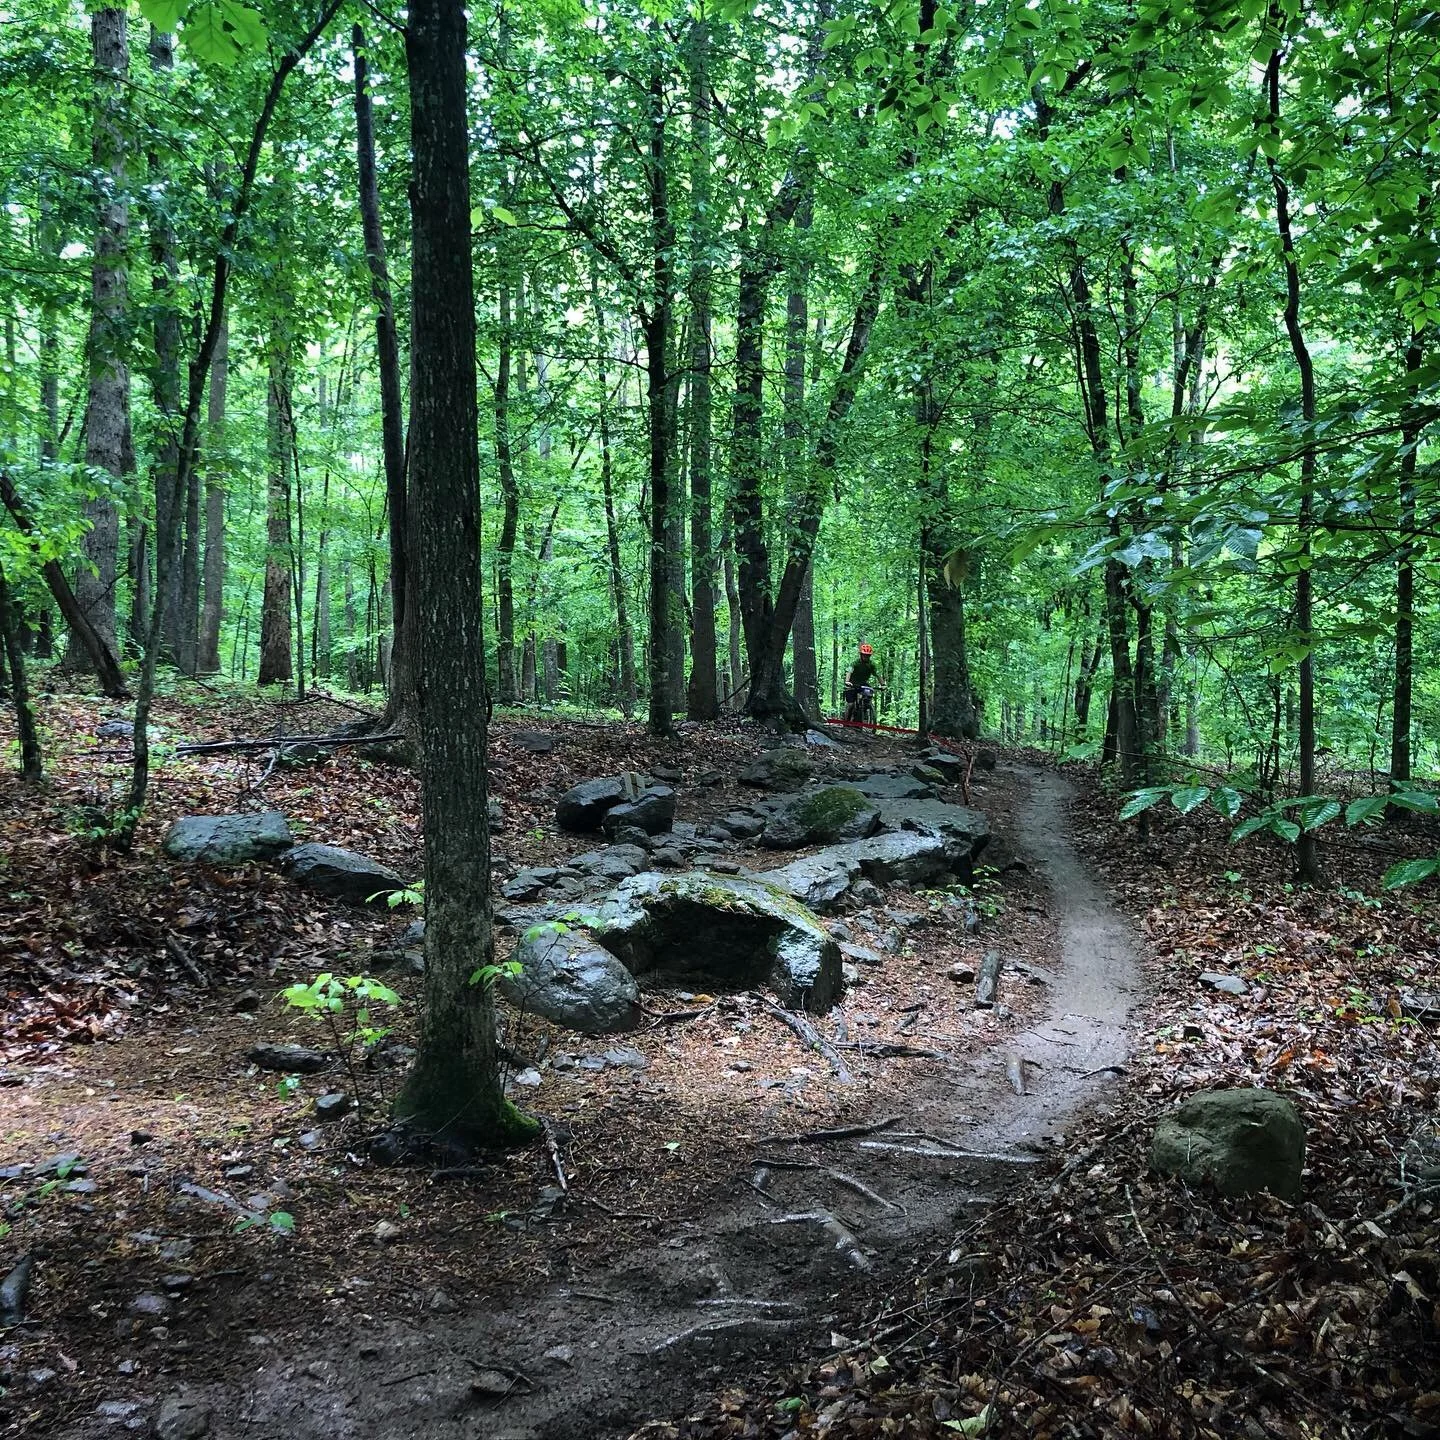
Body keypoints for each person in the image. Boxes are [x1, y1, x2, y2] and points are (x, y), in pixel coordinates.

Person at [843, 643, 882, 724]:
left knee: (868, 696)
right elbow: (849, 671)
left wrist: (883, 684)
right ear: (861, 655)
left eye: (868, 655)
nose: (866, 657)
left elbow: (878, 674)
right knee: (851, 705)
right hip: (852, 684)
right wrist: (847, 681)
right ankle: (846, 723)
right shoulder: (855, 663)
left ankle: (863, 713)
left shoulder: (872, 665)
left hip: (863, 684)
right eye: (864, 655)